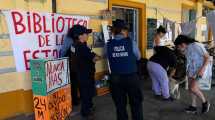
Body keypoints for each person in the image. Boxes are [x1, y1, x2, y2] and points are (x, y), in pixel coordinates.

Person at [106, 19, 143, 120]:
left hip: (115, 79)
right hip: (131, 77)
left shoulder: (108, 44)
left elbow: (107, 56)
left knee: (120, 105)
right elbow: (138, 57)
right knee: (136, 103)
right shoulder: (131, 42)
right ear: (123, 31)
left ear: (114, 31)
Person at [69, 25, 101, 120]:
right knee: (86, 94)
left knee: (85, 93)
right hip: (85, 74)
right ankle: (86, 113)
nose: (87, 35)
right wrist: (97, 57)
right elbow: (95, 58)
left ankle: (89, 107)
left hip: (79, 73)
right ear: (79, 36)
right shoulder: (82, 47)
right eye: (85, 33)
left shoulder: (73, 45)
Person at [174, 35, 210, 114]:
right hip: (191, 70)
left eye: (178, 47)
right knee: (190, 89)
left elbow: (207, 58)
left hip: (199, 70)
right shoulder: (186, 49)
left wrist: (202, 70)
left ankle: (205, 102)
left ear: (183, 44)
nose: (178, 49)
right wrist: (187, 71)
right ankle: (193, 106)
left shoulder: (197, 46)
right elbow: (189, 61)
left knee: (193, 88)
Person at [60, 29, 80, 106]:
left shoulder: (69, 40)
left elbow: (63, 52)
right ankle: (74, 100)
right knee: (74, 83)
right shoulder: (70, 41)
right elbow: (64, 52)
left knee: (74, 83)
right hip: (72, 65)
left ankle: (75, 99)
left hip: (71, 65)